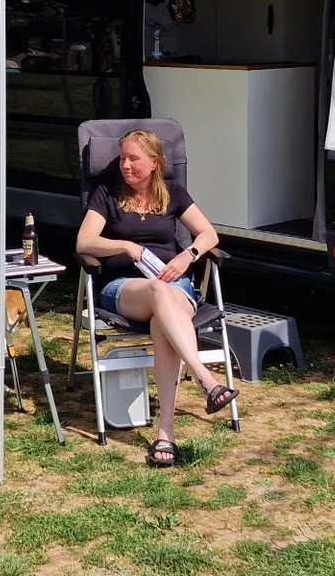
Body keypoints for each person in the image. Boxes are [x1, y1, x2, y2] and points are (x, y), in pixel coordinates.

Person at [75, 129, 237, 467]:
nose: (125, 165)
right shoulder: (107, 194)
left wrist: (188, 255)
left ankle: (166, 434)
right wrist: (125, 246)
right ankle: (206, 380)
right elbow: (84, 242)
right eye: (122, 158)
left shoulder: (173, 193)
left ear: (155, 162)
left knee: (163, 321)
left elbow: (209, 234)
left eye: (133, 158)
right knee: (157, 291)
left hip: (176, 287)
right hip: (124, 289)